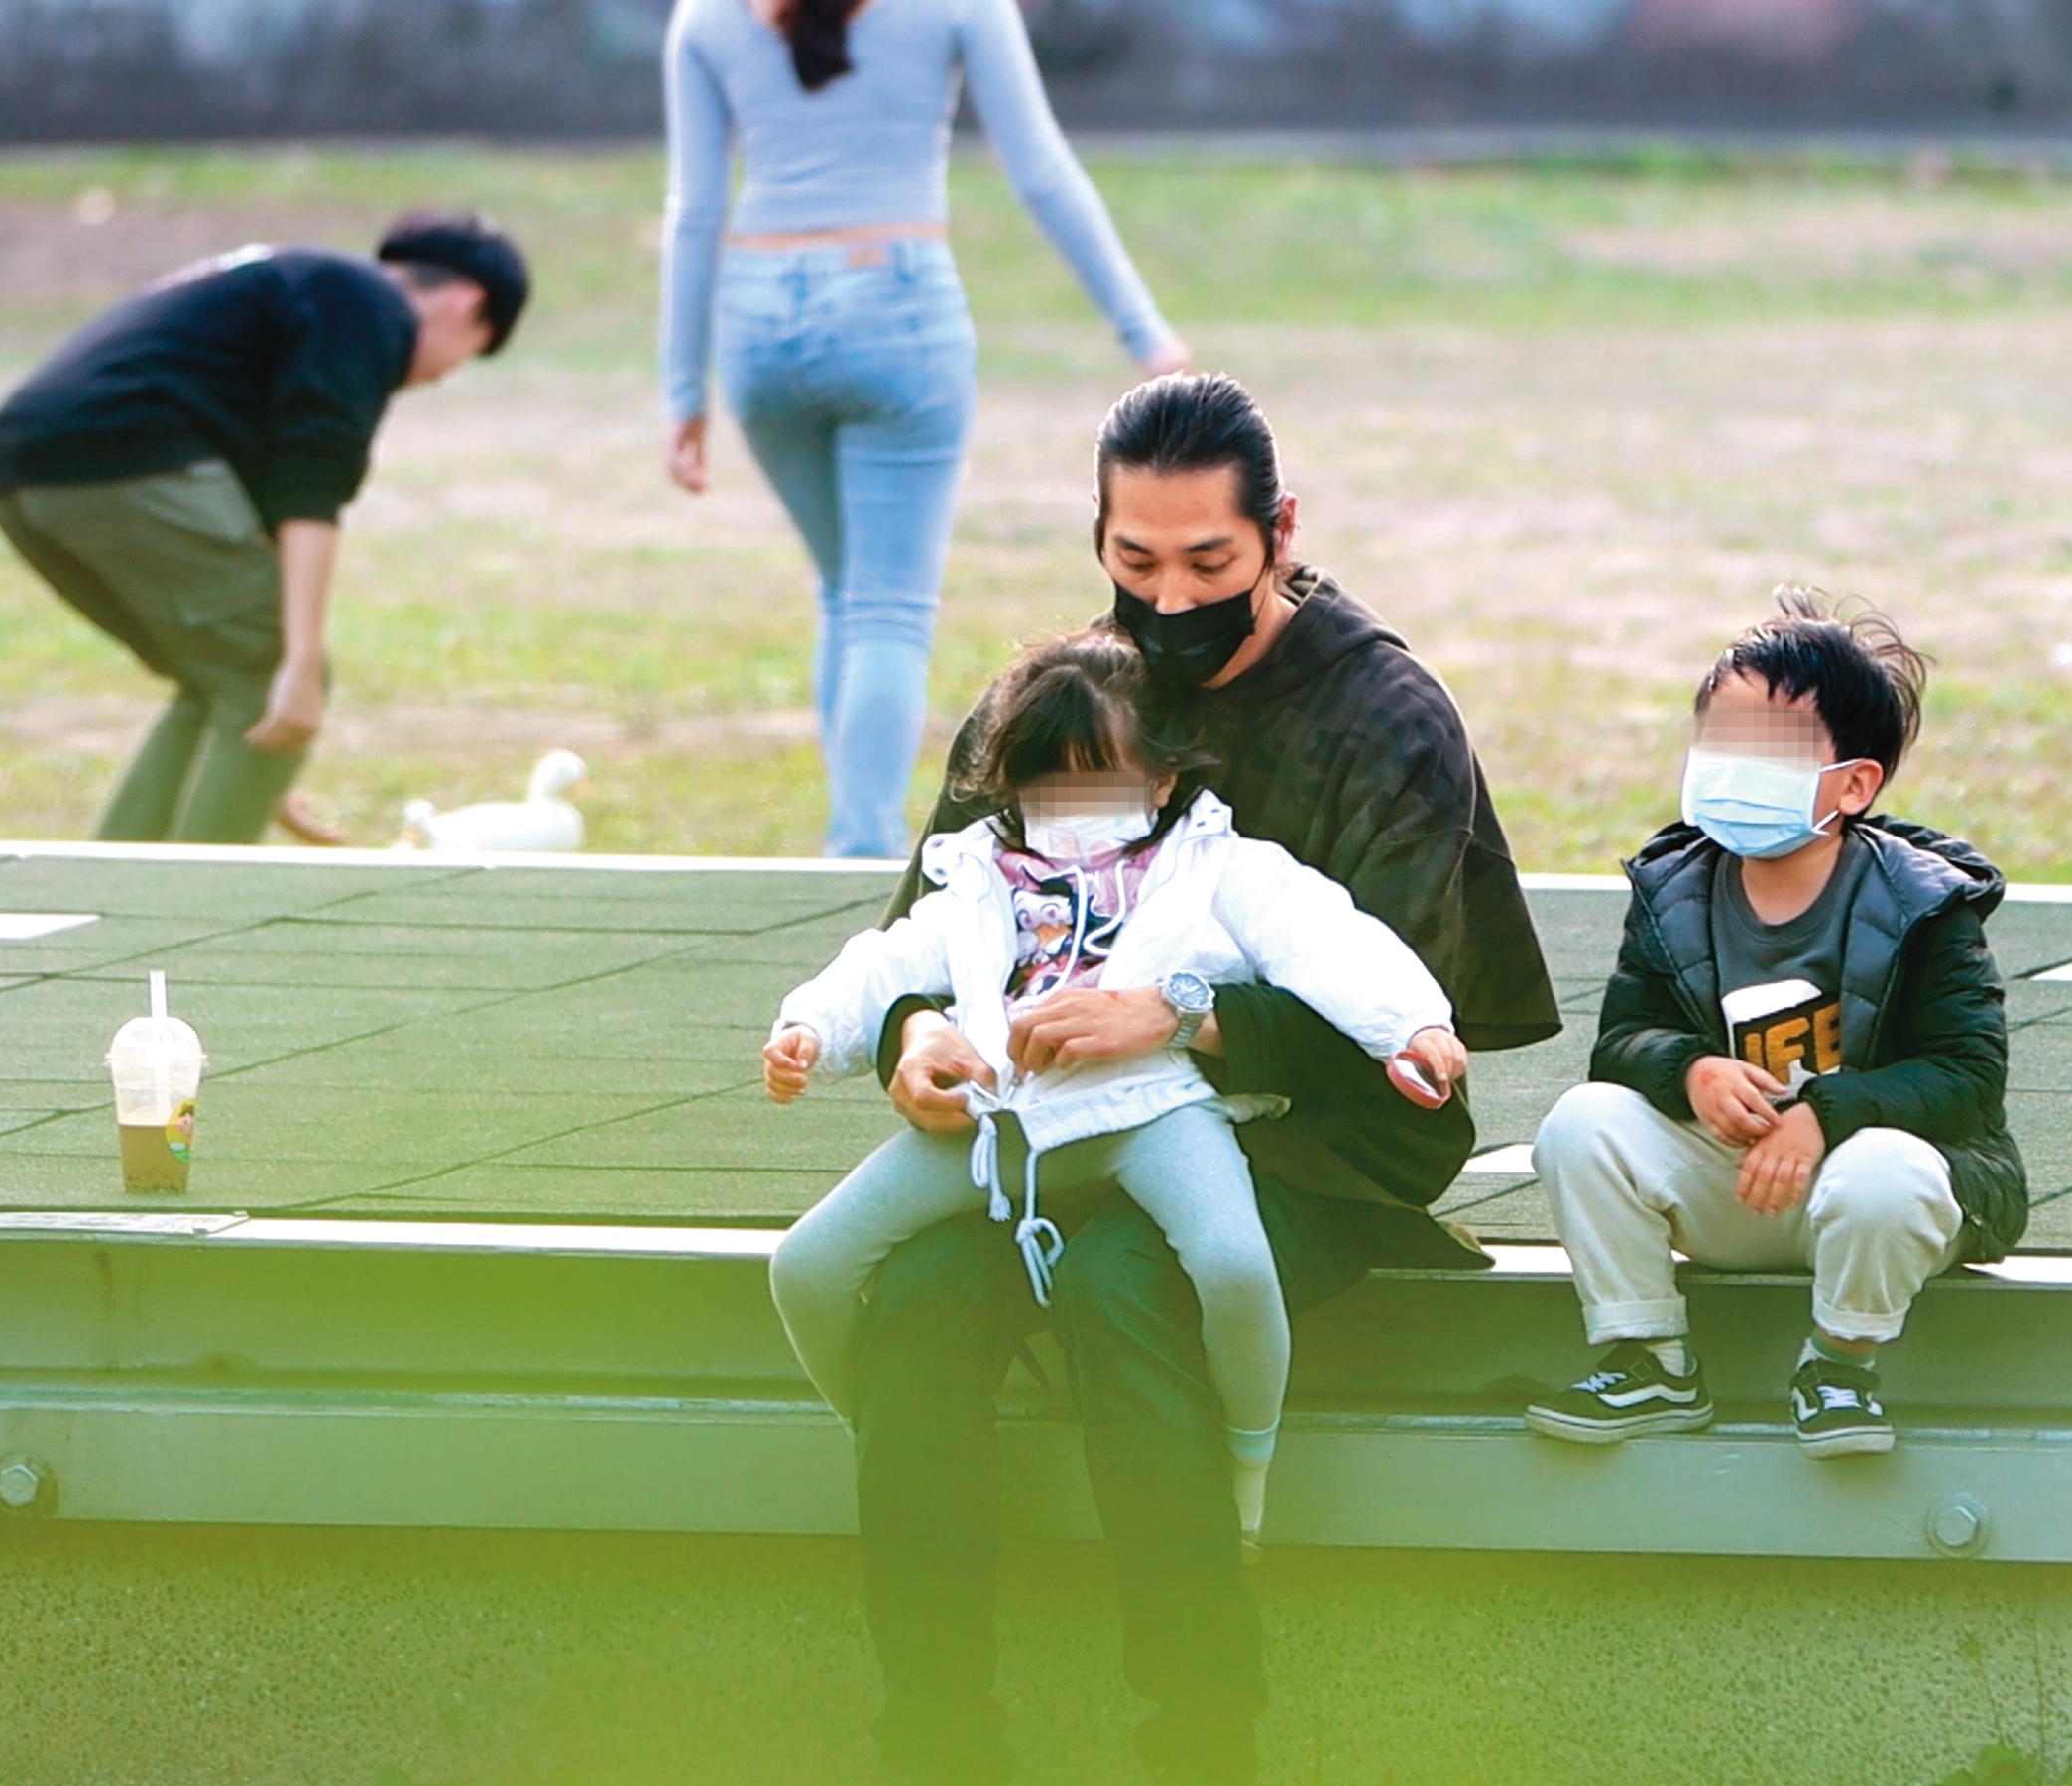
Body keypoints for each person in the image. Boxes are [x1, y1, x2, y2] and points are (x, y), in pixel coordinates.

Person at [825, 373, 1558, 1785]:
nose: (1167, 600)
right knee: (910, 1299)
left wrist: (1171, 1020)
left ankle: (1202, 1727)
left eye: (1210, 563)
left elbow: (1398, 1006)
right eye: (1132, 560)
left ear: (1280, 531)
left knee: (1122, 1283)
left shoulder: (1384, 712)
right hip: (1051, 1126)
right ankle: (929, 1731)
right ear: (1095, 535)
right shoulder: (1058, 693)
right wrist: (917, 1035)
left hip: (1314, 1141)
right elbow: (925, 929)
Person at [764, 628, 1468, 1552]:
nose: (1070, 807)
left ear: (1163, 779)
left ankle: (1246, 1460)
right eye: (1044, 785)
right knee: (804, 1266)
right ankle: (875, 1435)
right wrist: (810, 1029)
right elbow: (887, 960)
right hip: (1006, 1129)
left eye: (1098, 778)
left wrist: (1412, 1023)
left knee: (1232, 1264)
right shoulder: (980, 877)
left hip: (1152, 1114)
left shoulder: (1218, 866)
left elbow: (1325, 939)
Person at [660, 0, 1189, 861]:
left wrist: (682, 388)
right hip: (896, 308)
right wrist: (1144, 332)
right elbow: (1040, 170)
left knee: (848, 595)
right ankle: (859, 857)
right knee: (883, 610)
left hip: (754, 319)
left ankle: (849, 838)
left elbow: (693, 207)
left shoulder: (704, 16)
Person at [1525, 590, 2024, 1457]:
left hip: (1867, 1196)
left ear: (1855, 783)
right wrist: (1690, 1071)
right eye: (1722, 738)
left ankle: (1837, 1363)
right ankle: (1648, 1357)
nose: (1734, 764)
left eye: (1773, 747)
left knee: (1885, 1172)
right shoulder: (1673, 889)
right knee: (1580, 1124)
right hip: (1736, 1186)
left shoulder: (1925, 904)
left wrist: (1823, 1115)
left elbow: (1966, 1074)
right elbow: (1620, 1039)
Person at [0, 212, 527, 845]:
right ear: (467, 304)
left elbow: (264, 498)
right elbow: (310, 481)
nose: (437, 377)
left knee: (221, 677)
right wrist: (300, 663)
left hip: (18, 468)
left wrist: (249, 768)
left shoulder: (295, 284)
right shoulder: (371, 305)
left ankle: (114, 899)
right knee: (267, 666)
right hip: (125, 453)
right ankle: (197, 911)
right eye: (463, 359)